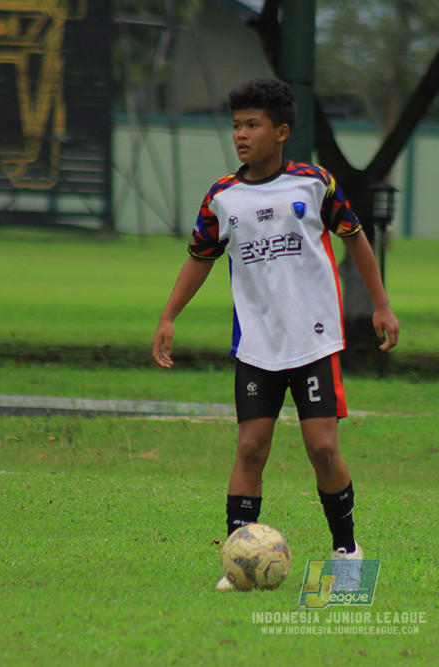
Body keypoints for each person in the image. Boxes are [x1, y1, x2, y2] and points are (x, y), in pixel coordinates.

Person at [151, 78, 399, 592]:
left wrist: (380, 304)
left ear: (281, 131)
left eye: (253, 125)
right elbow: (199, 258)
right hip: (258, 345)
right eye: (237, 125)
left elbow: (356, 239)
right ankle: (237, 558)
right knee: (250, 448)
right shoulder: (223, 197)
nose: (241, 134)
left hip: (313, 340)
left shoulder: (314, 183)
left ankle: (346, 549)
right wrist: (169, 316)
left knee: (322, 448)